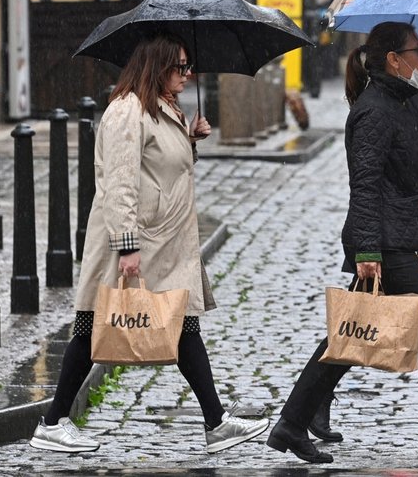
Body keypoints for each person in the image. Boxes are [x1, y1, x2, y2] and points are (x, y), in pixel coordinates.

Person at [266, 22, 418, 466]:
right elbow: (364, 184)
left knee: (348, 335)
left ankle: (291, 422)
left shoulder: (397, 103)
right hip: (383, 242)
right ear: (394, 60)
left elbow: (409, 167)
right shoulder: (375, 110)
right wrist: (366, 252)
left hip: (393, 237)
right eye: (416, 52)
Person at [29, 35, 269, 454]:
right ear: (157, 66)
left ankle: (215, 421)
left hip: (164, 242)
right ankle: (52, 423)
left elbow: (163, 171)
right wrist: (127, 246)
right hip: (139, 241)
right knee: (91, 329)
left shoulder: (162, 110)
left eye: (187, 65)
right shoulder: (127, 112)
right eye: (180, 66)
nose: (187, 74)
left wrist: (190, 140)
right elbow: (118, 181)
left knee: (183, 326)